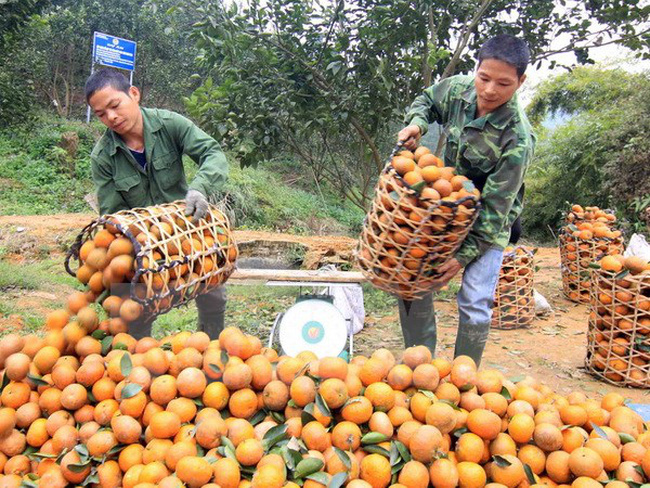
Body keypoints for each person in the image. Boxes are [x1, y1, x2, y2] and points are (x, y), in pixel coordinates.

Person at [396, 34, 535, 365]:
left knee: (475, 301)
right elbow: (426, 101)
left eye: (503, 83)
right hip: (444, 209)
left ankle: (463, 378)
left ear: (520, 81)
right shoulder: (458, 90)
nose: (489, 90)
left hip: (490, 221)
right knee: (413, 280)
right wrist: (417, 123)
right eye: (484, 77)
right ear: (477, 69)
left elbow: (495, 212)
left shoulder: (517, 139)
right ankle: (421, 366)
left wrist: (461, 258)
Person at [85, 68, 229, 339]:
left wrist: (200, 188)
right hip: (142, 243)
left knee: (213, 290)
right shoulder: (103, 157)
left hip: (186, 231)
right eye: (102, 114)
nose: (111, 117)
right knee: (131, 310)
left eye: (115, 105)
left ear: (134, 94)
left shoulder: (170, 124)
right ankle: (135, 358)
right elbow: (112, 214)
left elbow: (212, 152)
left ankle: (211, 346)